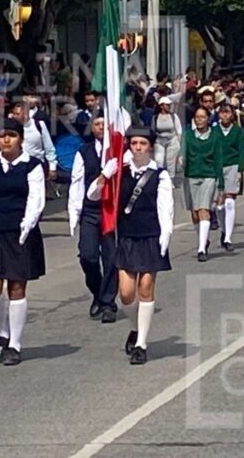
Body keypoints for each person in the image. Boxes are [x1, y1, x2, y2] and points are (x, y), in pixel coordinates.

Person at [88, 127, 173, 365]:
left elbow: (165, 208)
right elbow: (93, 196)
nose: (137, 147)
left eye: (142, 143)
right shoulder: (119, 173)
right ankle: (136, 328)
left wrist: (165, 236)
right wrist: (105, 174)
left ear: (150, 147)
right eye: (133, 143)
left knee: (145, 288)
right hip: (126, 237)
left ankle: (141, 344)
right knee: (126, 294)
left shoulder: (160, 175)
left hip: (149, 236)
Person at [0, 119, 47, 367]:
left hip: (20, 232)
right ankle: (3, 330)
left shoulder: (32, 166)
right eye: (2, 135)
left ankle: (15, 343)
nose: (6, 140)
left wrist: (28, 223)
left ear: (21, 139)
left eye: (11, 135)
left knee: (16, 287)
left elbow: (37, 198)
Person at [68, 112, 119, 323]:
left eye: (103, 124)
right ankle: (98, 291)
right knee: (87, 256)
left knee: (111, 258)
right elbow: (76, 182)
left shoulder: (117, 152)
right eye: (96, 124)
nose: (99, 127)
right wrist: (74, 213)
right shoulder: (84, 152)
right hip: (90, 211)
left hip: (110, 211)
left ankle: (108, 302)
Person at [180, 106, 223, 262]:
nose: (199, 120)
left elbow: (219, 159)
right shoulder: (188, 136)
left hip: (209, 176)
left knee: (204, 209)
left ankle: (201, 249)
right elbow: (183, 153)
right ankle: (203, 239)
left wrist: (221, 185)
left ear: (208, 119)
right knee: (195, 213)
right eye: (197, 117)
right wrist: (180, 161)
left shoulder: (215, 136)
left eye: (202, 117)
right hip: (191, 176)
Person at [213, 104, 244, 252]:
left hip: (233, 166)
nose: (225, 116)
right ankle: (223, 228)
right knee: (218, 204)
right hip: (217, 167)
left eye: (228, 113)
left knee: (229, 202)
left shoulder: (238, 131)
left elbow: (242, 151)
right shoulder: (214, 131)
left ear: (232, 115)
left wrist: (240, 170)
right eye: (222, 113)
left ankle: (228, 238)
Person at [151, 96, 182, 178]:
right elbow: (153, 130)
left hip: (172, 140)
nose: (169, 106)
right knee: (159, 161)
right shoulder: (155, 117)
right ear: (161, 106)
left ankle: (171, 179)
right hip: (159, 141)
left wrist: (179, 142)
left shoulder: (173, 116)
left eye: (169, 105)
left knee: (170, 162)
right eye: (167, 105)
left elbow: (178, 129)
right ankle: (159, 178)